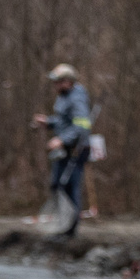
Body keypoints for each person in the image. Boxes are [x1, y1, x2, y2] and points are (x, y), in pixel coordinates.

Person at [32, 64, 95, 236]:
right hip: (65, 151)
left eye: (58, 81)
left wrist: (62, 139)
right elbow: (64, 121)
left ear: (68, 81)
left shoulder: (77, 98)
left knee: (70, 188)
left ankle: (70, 230)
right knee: (58, 185)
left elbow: (82, 125)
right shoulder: (63, 97)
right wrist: (49, 122)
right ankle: (63, 226)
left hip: (75, 150)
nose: (55, 85)